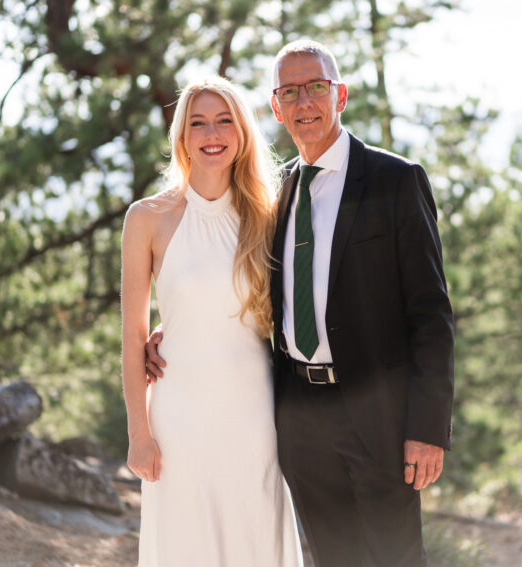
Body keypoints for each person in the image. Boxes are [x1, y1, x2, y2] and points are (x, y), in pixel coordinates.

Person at [148, 40, 454, 567]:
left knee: (395, 557)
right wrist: (170, 331)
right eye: (290, 91)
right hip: (299, 418)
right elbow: (239, 285)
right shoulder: (275, 194)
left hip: (377, 413)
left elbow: (431, 314)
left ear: (340, 95)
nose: (304, 101)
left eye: (316, 87)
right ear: (276, 107)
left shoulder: (395, 180)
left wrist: (427, 429)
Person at [120, 76, 302, 567]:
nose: (211, 133)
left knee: (253, 541)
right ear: (182, 136)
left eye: (224, 121)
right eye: (198, 123)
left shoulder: (269, 214)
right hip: (178, 417)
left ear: (242, 132)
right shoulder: (147, 218)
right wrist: (139, 432)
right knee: (186, 545)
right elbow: (134, 336)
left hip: (254, 415)